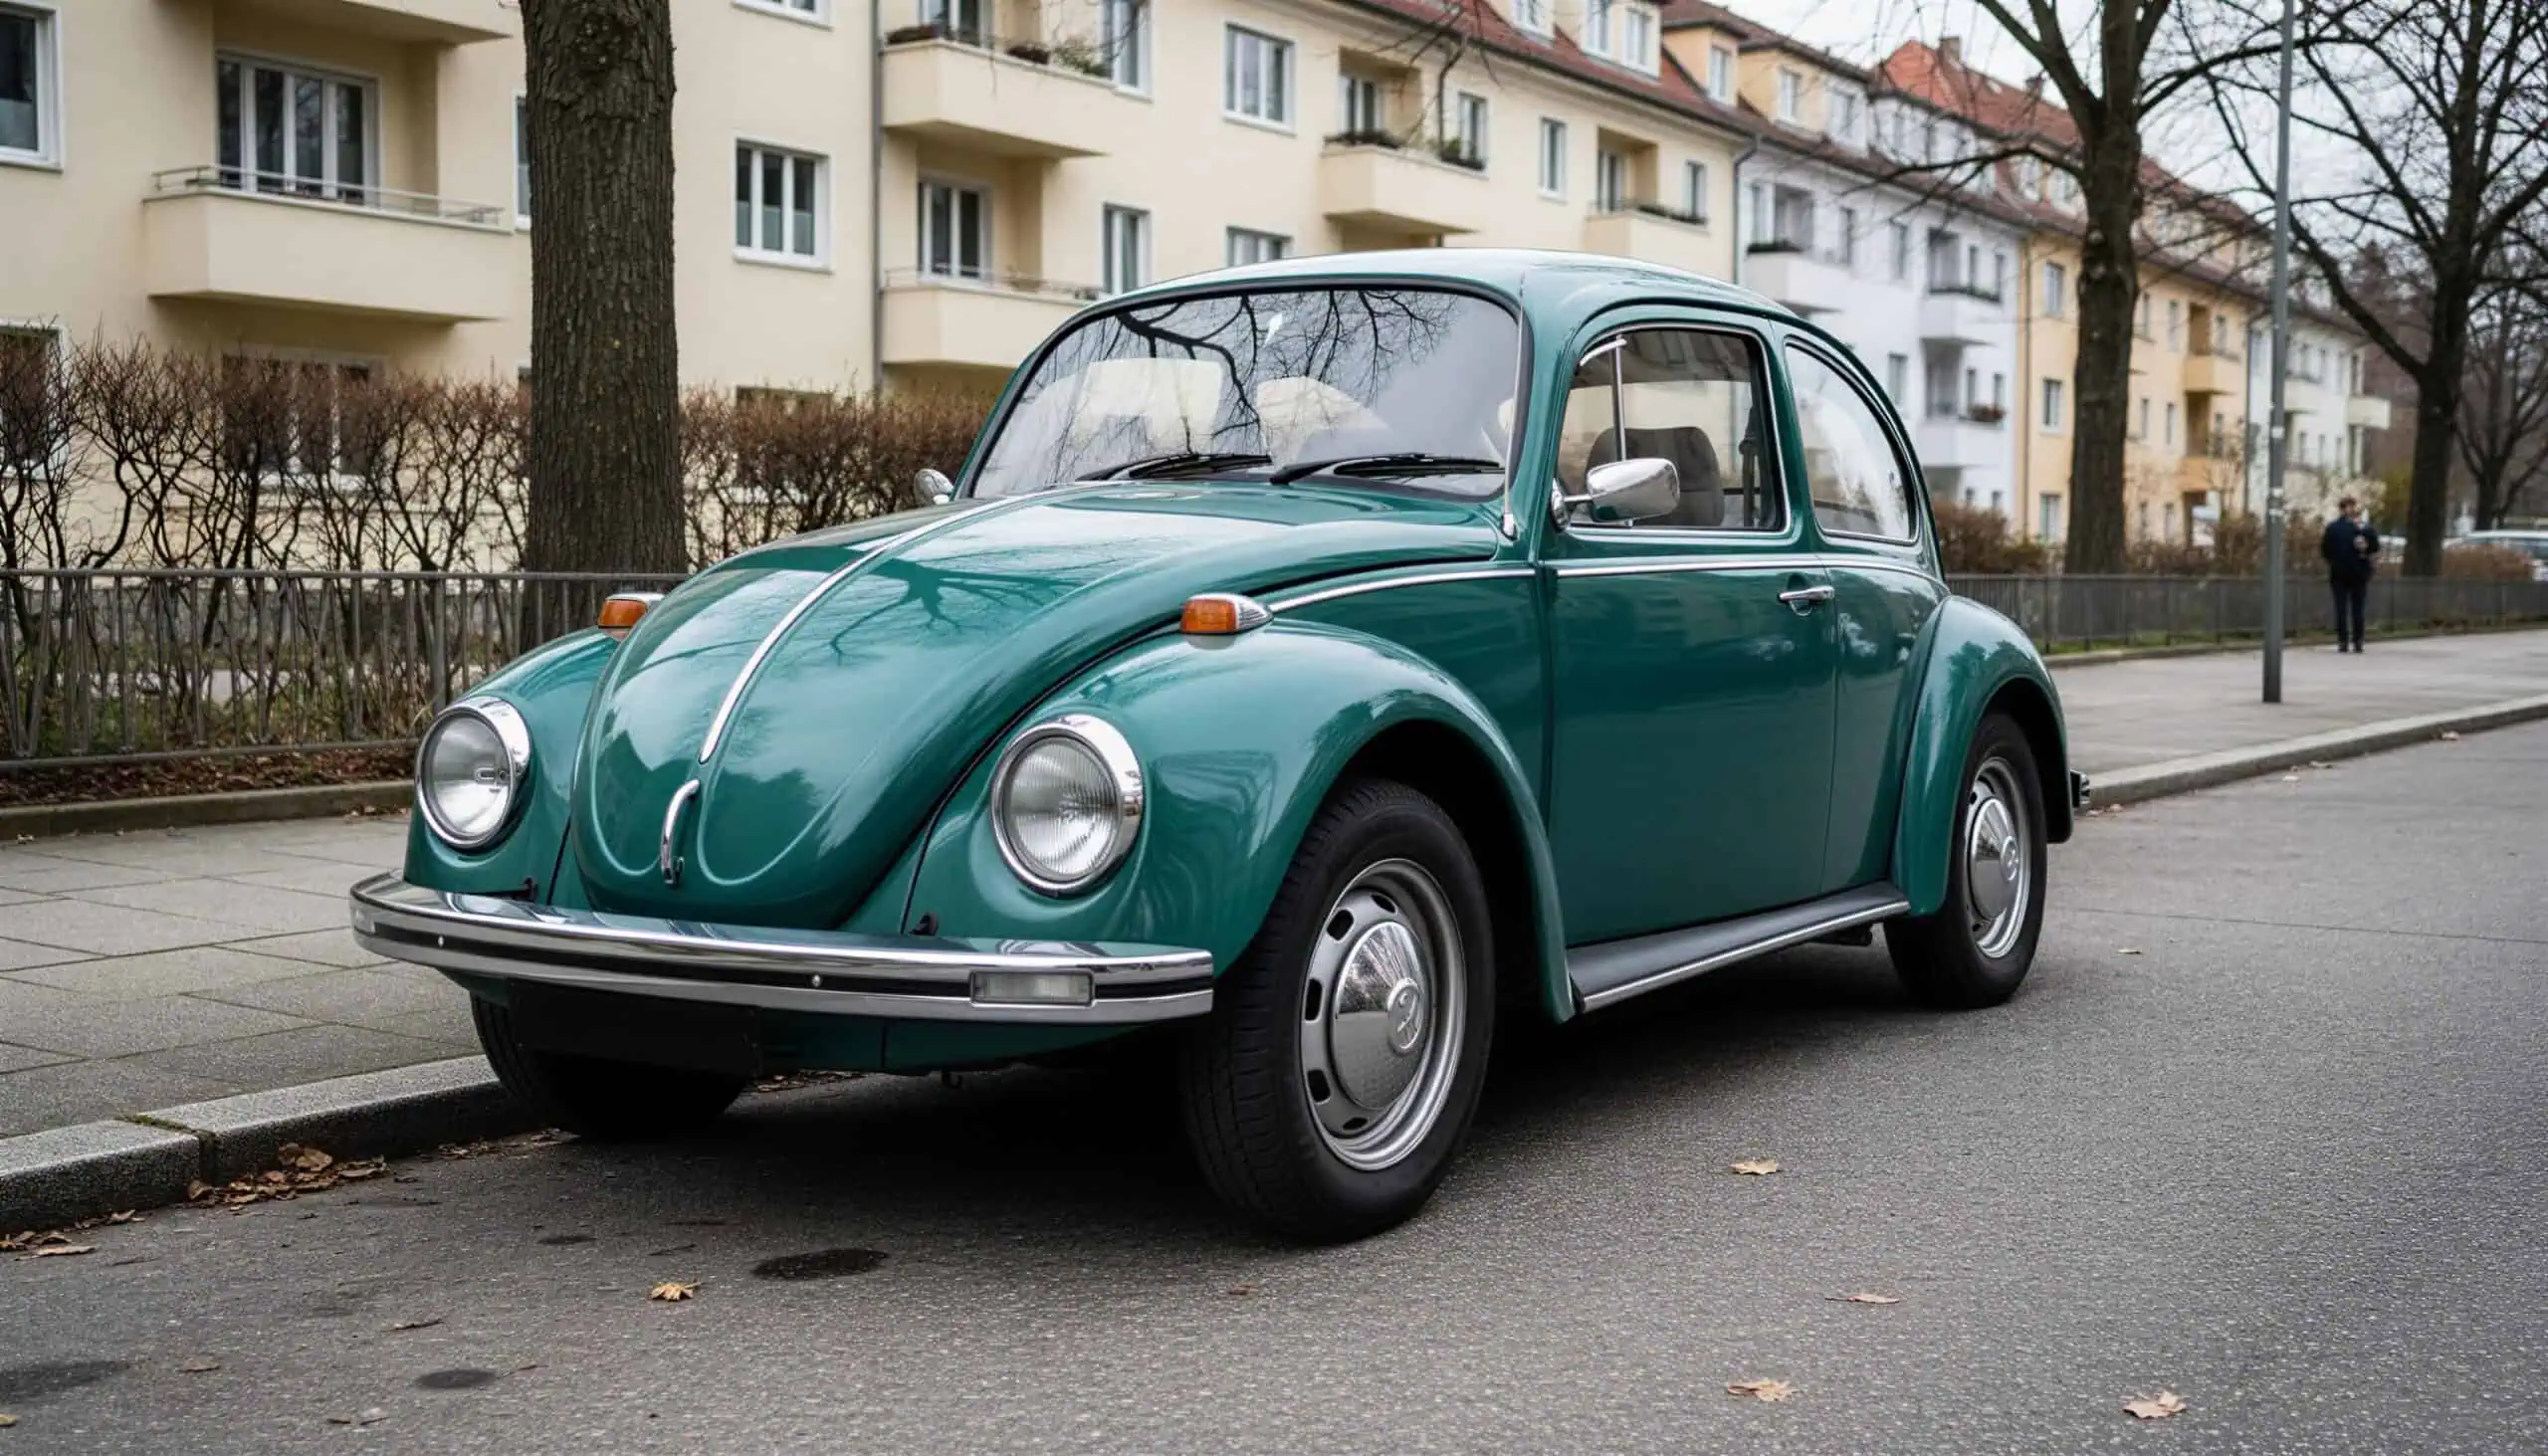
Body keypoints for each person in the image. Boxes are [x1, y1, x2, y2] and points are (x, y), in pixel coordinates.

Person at [2319, 497, 2381, 652]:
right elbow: (2374, 547)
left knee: (2347, 609)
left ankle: (2347, 641)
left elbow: (2325, 551)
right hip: (2354, 572)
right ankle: (2354, 641)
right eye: (2349, 507)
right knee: (2353, 608)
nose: (2351, 510)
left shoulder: (2337, 528)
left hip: (2344, 572)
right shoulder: (2360, 528)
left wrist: (2334, 561)